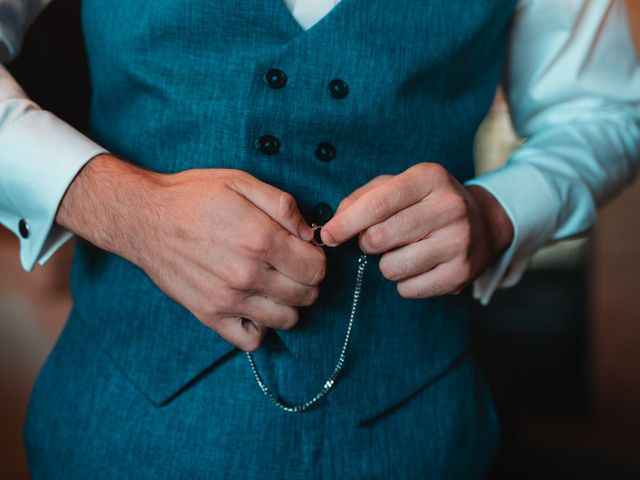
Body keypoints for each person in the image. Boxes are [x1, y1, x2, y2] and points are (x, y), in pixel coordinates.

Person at [0, 0, 638, 477]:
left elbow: (607, 110)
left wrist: (497, 214)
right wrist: (120, 205)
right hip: (118, 431)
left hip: (420, 434)